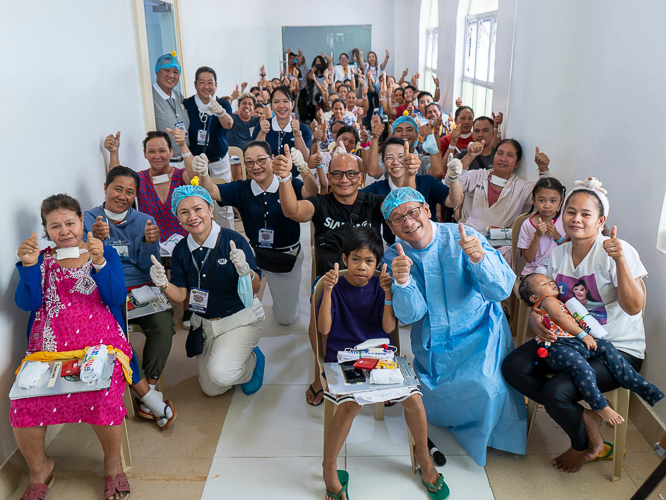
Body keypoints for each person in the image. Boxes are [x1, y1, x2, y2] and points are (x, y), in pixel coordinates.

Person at [502, 177, 651, 473]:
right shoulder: (558, 255)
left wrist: (620, 261)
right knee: (513, 366)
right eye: (570, 212)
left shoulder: (616, 251)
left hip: (617, 349)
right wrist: (535, 316)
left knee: (559, 391)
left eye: (586, 214)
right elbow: (544, 298)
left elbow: (634, 308)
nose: (576, 219)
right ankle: (588, 418)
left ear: (601, 220)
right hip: (572, 341)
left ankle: (580, 444)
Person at [382, 187, 527, 466]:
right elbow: (411, 315)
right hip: (434, 341)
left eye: (412, 212)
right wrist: (402, 282)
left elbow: (500, 290)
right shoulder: (394, 257)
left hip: (482, 333)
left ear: (426, 209)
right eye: (398, 218)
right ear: (391, 227)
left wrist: (479, 259)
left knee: (486, 385)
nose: (408, 222)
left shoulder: (463, 236)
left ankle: (496, 437)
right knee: (434, 394)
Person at [14, 194, 133, 499]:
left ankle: (112, 464)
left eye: (70, 222)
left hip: (100, 343)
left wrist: (100, 262)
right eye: (55, 226)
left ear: (83, 222)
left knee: (103, 393)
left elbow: (115, 297)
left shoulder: (102, 253)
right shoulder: (40, 260)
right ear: (46, 231)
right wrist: (28, 267)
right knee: (23, 400)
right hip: (49, 348)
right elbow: (27, 303)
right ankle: (40, 468)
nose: (64, 230)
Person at [318, 227, 448, 500]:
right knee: (351, 404)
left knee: (414, 399)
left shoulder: (380, 286)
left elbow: (389, 327)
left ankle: (424, 459)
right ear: (344, 259)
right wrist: (327, 291)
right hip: (344, 356)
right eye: (355, 259)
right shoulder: (333, 285)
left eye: (369, 262)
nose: (361, 267)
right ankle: (329, 467)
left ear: (378, 264)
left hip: (379, 355)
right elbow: (324, 329)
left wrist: (388, 293)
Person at [279, 151, 385, 406]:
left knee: (380, 324)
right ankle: (321, 373)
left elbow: (402, 207)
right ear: (329, 176)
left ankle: (381, 368)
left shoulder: (373, 201)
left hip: (369, 282)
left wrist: (408, 174)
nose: (343, 179)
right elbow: (293, 211)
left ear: (360, 177)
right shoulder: (320, 203)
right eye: (337, 174)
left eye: (350, 173)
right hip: (331, 283)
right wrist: (284, 178)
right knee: (320, 327)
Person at [148, 185, 266, 397]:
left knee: (221, 375)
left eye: (198, 209)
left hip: (239, 318)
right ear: (178, 217)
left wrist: (246, 271)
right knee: (212, 389)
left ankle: (253, 361)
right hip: (204, 322)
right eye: (184, 212)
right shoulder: (181, 250)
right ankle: (234, 356)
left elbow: (256, 286)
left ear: (211, 209)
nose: (192, 216)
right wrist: (163, 284)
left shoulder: (234, 241)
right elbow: (181, 295)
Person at [84, 166, 177, 429]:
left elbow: (151, 266)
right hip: (104, 292)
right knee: (116, 337)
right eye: (117, 189)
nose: (122, 196)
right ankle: (148, 396)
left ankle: (150, 387)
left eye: (130, 192)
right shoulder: (88, 219)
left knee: (164, 326)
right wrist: (95, 242)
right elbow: (81, 263)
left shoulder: (144, 220)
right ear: (105, 188)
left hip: (141, 290)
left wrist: (150, 245)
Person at [195, 141, 317, 325]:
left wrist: (303, 167)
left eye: (261, 160)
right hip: (254, 253)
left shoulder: (289, 184)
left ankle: (287, 297)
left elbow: (313, 192)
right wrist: (203, 172)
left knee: (285, 319)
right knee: (228, 291)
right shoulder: (242, 188)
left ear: (272, 159)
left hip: (286, 256)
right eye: (249, 162)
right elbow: (211, 190)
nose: (256, 166)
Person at [518, 273, 663, 424]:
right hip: (558, 347)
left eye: (550, 280)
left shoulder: (553, 300)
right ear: (534, 298)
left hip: (572, 342)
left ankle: (635, 382)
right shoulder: (547, 300)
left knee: (605, 346)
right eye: (544, 284)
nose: (551, 283)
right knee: (582, 367)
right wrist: (583, 335)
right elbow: (559, 318)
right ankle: (599, 405)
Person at [362, 137, 463, 244]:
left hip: (431, 243)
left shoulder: (427, 181)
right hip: (395, 249)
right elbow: (353, 198)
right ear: (383, 162)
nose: (395, 162)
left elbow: (454, 201)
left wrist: (453, 178)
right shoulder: (377, 188)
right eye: (389, 158)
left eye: (401, 156)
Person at [447, 140, 553, 235]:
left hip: (499, 246)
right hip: (466, 235)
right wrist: (469, 156)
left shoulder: (522, 187)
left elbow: (549, 195)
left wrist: (544, 170)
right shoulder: (478, 176)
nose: (503, 158)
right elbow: (454, 182)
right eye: (500, 153)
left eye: (510, 155)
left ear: (517, 163)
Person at [105, 129, 195, 240]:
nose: (157, 156)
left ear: (171, 152)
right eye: (152, 152)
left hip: (185, 244)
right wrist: (113, 152)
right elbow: (117, 180)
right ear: (145, 154)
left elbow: (195, 178)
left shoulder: (181, 176)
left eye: (162, 151)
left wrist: (182, 146)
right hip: (151, 245)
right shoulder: (140, 179)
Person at [183, 66, 235, 229]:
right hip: (196, 164)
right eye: (202, 82)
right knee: (198, 202)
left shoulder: (223, 104)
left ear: (216, 85)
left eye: (210, 82)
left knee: (223, 203)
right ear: (195, 84)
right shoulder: (187, 104)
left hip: (219, 161)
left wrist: (220, 112)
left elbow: (229, 125)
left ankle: (228, 236)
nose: (206, 86)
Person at [253, 86, 312, 172]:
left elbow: (305, 159)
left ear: (293, 104)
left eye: (285, 101)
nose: (281, 106)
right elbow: (254, 155)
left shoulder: (303, 129)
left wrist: (297, 134)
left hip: (294, 178)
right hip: (267, 176)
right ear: (271, 105)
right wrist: (262, 133)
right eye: (276, 102)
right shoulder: (262, 126)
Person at [365, 115, 444, 179]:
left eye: (409, 130)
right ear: (392, 135)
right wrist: (375, 138)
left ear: (417, 136)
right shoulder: (388, 159)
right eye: (399, 130)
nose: (404, 133)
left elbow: (437, 172)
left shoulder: (422, 160)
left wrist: (430, 137)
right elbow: (373, 172)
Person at [517, 177, 567, 275]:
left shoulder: (565, 219)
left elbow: (571, 251)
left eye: (552, 201)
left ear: (560, 202)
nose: (547, 206)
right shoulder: (527, 225)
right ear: (534, 200)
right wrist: (537, 236)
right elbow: (528, 258)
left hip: (559, 270)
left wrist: (557, 236)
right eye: (542, 200)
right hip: (533, 272)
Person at [152, 52, 189, 160]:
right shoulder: (150, 97)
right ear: (157, 72)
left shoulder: (179, 96)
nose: (171, 75)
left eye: (176, 72)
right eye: (167, 70)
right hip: (165, 163)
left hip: (185, 159)